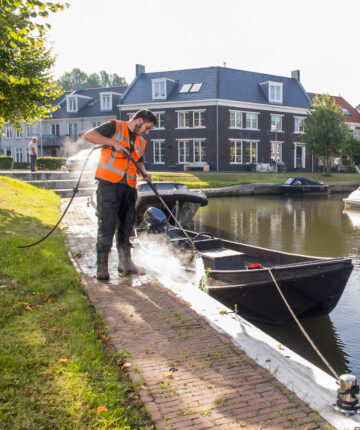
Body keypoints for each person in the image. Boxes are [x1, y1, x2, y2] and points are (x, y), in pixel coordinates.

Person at [84, 109, 157, 280]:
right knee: (107, 226)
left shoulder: (140, 141)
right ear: (139, 120)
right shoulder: (115, 127)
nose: (147, 132)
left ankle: (125, 264)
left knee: (126, 228)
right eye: (147, 127)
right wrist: (112, 143)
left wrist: (144, 173)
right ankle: (102, 267)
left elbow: (138, 161)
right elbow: (89, 136)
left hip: (129, 188)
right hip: (109, 185)